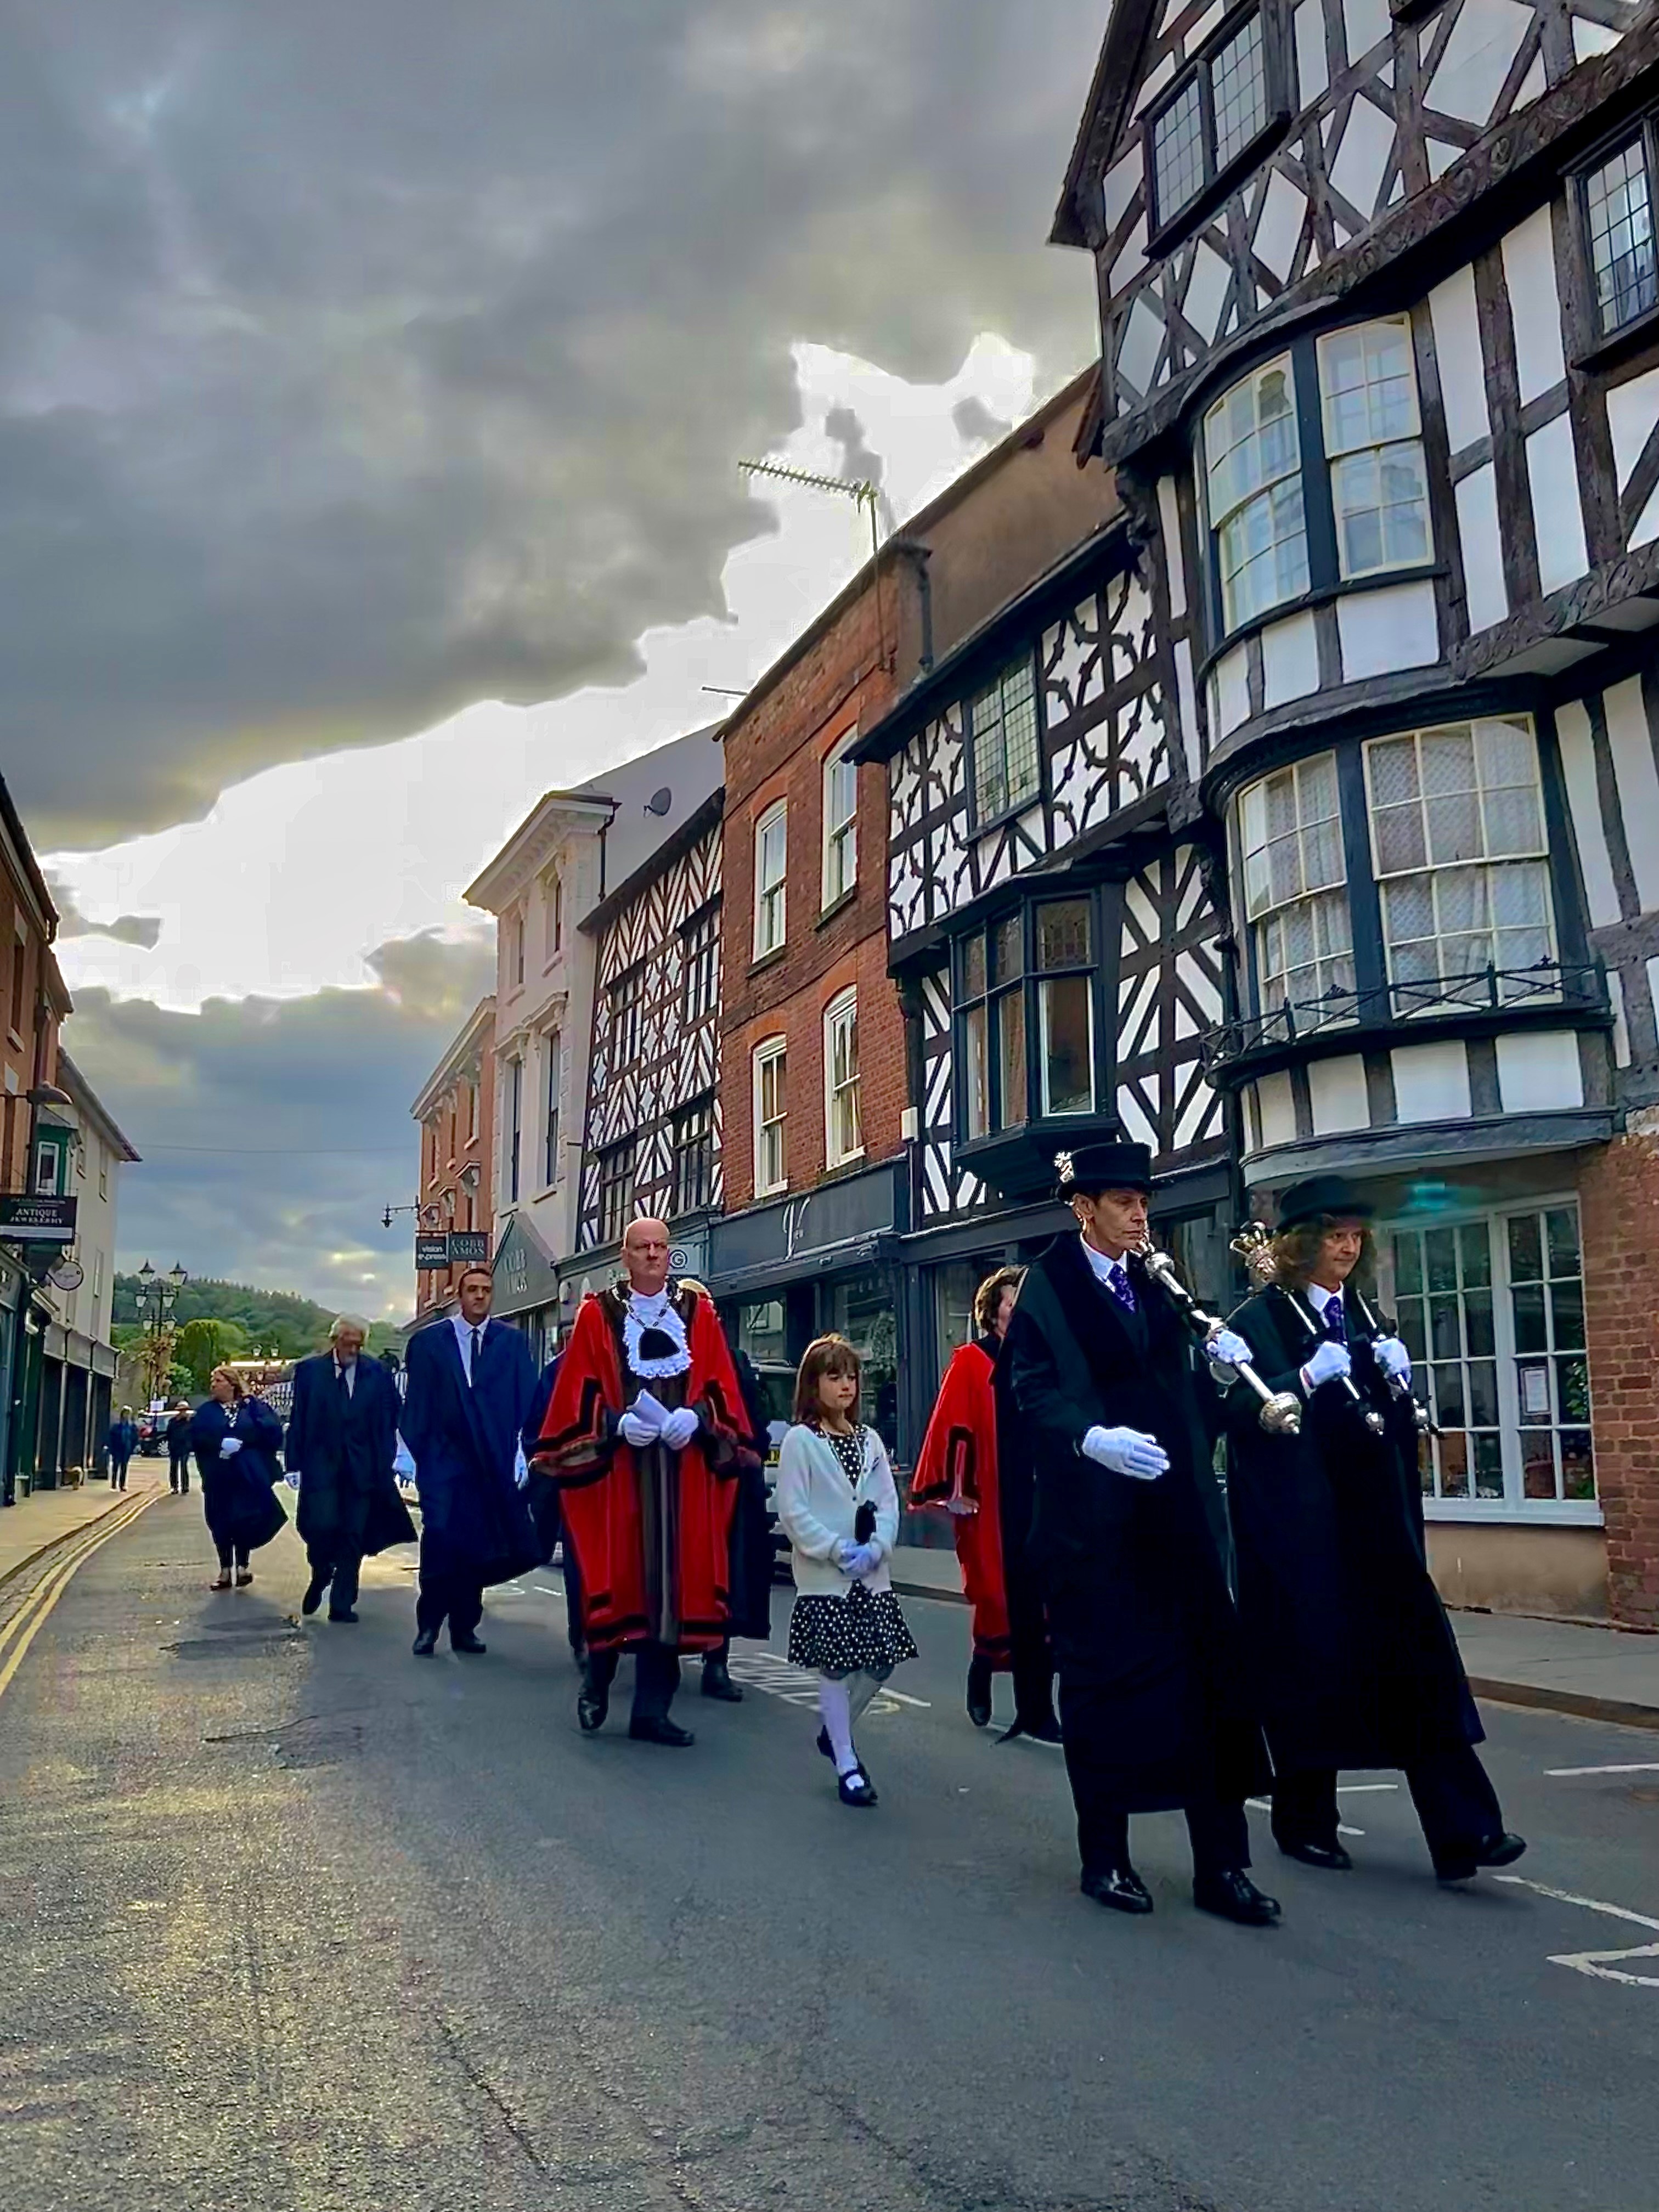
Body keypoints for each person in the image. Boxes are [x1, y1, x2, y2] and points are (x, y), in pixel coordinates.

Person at [1220, 1176, 1526, 1886]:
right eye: (1335, 1237)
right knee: (1313, 1671)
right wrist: (1298, 1378)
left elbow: (1389, 1429)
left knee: (1418, 1670)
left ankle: (1466, 1832)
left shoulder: (1366, 1317)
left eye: (1356, 1237)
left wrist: (1399, 1381)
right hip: (1303, 1533)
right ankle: (1304, 1821)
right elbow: (1232, 1417)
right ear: (1301, 1245)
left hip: (1377, 1529)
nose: (1349, 1250)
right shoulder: (1263, 1321)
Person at [1003, 1141, 1279, 1927]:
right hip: (1095, 1533)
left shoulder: (1161, 1283)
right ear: (1084, 1208)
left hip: (1182, 1522)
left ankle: (1222, 1864)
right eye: (1124, 1203)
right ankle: (1107, 1857)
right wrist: (1090, 1439)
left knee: (1210, 1688)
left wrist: (1224, 1374)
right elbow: (1031, 1390)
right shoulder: (1048, 1288)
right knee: (1106, 1693)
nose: (1139, 1216)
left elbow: (1197, 1400)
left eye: (1144, 1203)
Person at [535, 1218, 745, 1746]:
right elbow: (577, 1394)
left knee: (671, 1597)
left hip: (681, 1477)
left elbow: (722, 1384)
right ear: (624, 1257)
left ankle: (652, 1712)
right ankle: (597, 1683)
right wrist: (614, 1425)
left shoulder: (698, 1313)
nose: (653, 1255)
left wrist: (697, 1418)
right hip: (623, 1479)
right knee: (619, 1585)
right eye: (642, 1248)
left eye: (660, 1247)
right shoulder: (597, 1315)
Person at [911, 1265, 1058, 1740]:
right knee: (998, 1599)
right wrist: (957, 1489)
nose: (1020, 1309)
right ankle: (982, 1666)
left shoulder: (1044, 1359)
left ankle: (1037, 1711)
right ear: (993, 1310)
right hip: (993, 1498)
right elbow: (953, 1426)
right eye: (1013, 1301)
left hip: (1043, 1494)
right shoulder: (973, 1360)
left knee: (1045, 1607)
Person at [775, 1335, 916, 1808]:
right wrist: (836, 1549)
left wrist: (879, 1547)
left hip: (871, 1575)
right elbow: (793, 1511)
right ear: (812, 1385)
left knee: (881, 1662)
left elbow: (887, 1503)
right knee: (835, 1668)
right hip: (826, 1578)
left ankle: (834, 1734)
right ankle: (847, 1763)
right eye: (834, 1377)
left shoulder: (869, 1440)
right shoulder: (801, 1441)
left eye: (851, 1376)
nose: (846, 1386)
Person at [400, 1266, 539, 1656]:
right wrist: (416, 1456)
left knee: (479, 1543)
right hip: (444, 1460)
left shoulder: (510, 1343)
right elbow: (418, 1403)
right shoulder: (430, 1344)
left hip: (490, 1459)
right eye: (472, 1290)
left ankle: (465, 1626)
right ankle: (429, 1624)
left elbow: (526, 1397)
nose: (479, 1296)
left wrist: (520, 1451)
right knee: (441, 1537)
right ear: (459, 1297)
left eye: (486, 1290)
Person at [285, 1314, 417, 1624]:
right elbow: (299, 1420)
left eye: (359, 1344)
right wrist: (294, 1465)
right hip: (321, 1468)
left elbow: (391, 1418)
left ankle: (343, 1603)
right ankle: (320, 1573)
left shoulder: (378, 1373)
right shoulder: (309, 1372)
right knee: (318, 1528)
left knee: (352, 1535)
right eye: (348, 1343)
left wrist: (387, 1459)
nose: (354, 1349)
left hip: (363, 1470)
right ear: (335, 1340)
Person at [190, 1367, 287, 1589]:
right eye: (212, 1380)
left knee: (243, 1520)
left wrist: (246, 1443)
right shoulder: (207, 1411)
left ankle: (243, 1566)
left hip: (246, 1476)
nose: (213, 1385)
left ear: (231, 1384)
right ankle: (225, 1570)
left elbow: (271, 1433)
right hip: (218, 1477)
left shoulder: (252, 1407)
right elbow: (197, 1438)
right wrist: (218, 1446)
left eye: (218, 1380)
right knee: (220, 1522)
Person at [522, 1350, 585, 1665]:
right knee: (580, 1564)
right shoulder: (558, 1369)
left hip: (617, 1483)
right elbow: (536, 1429)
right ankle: (584, 1638)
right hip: (572, 1481)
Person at [106, 1407, 139, 1491]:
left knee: (124, 1467)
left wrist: (133, 1447)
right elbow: (111, 1437)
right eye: (126, 1414)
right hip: (117, 1448)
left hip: (127, 1449)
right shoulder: (117, 1425)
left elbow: (135, 1438)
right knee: (116, 1466)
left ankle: (122, 1485)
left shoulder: (132, 1426)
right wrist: (110, 1448)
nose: (127, 1416)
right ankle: (113, 1484)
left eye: (128, 1414)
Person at [165, 1402, 193, 1494]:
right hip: (174, 1447)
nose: (183, 1413)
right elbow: (169, 1434)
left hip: (185, 1448)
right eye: (181, 1411)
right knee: (174, 1467)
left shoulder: (189, 1422)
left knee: (184, 1467)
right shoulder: (172, 1422)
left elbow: (192, 1435)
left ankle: (185, 1486)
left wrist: (190, 1445)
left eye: (185, 1411)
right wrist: (170, 1444)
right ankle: (174, 1487)